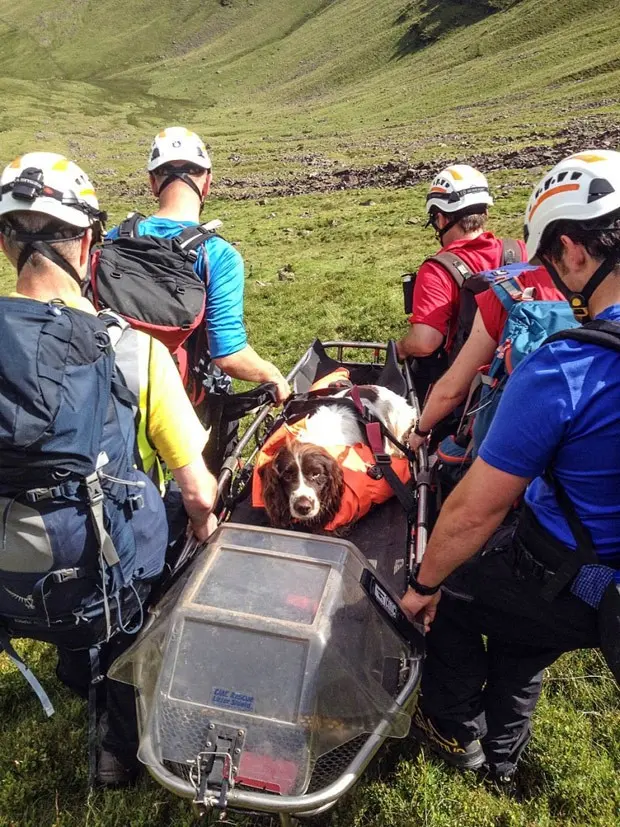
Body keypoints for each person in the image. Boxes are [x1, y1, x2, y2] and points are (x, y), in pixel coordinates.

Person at [400, 150, 620, 783]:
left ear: (575, 251)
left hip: (569, 570)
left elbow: (475, 509)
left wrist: (423, 587)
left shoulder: (565, 367)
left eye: (553, 257)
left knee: (460, 594)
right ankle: (501, 760)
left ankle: (451, 735)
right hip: (602, 590)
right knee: (527, 643)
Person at [0, 152, 218, 786]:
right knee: (159, 526)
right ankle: (116, 748)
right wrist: (204, 529)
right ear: (90, 242)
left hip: (11, 565)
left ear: (8, 242)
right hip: (100, 572)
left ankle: (73, 667)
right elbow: (199, 491)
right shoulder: (134, 350)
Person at [105, 126, 289, 467]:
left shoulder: (114, 239)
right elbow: (229, 355)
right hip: (188, 403)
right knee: (200, 491)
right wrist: (272, 375)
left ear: (152, 183)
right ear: (207, 181)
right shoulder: (217, 255)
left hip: (117, 391)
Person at [397, 165, 526, 400]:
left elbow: (426, 342)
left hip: (468, 389)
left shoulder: (438, 269)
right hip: (526, 370)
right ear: (484, 213)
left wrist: (402, 347)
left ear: (441, 217)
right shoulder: (520, 251)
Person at [408, 263, 564, 456]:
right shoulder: (605, 293)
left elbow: (452, 390)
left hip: (511, 450)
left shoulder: (506, 294)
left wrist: (420, 432)